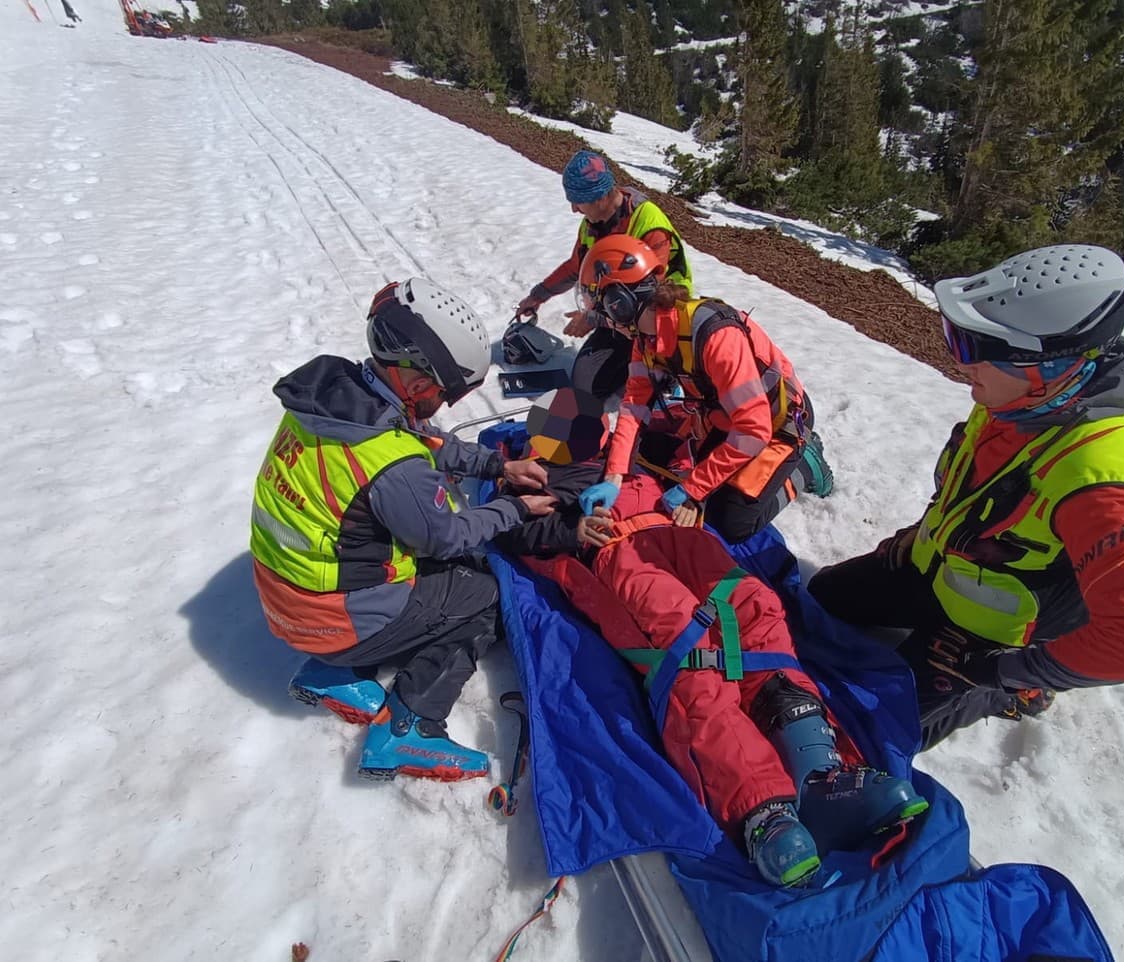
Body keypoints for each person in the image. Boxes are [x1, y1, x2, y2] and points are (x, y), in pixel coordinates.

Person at [492, 392, 925, 887]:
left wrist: (684, 488)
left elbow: (682, 429)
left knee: (756, 612)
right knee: (687, 647)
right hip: (616, 552)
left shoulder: (631, 455)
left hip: (679, 535)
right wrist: (571, 530)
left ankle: (819, 773)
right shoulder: (540, 479)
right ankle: (762, 808)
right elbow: (514, 534)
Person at [808, 245, 1124, 750]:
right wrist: (917, 541)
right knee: (820, 601)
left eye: (978, 349)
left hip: (995, 636)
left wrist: (1005, 669)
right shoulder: (1018, 403)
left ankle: (1021, 693)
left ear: (1047, 367)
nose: (965, 364)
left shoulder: (1096, 481)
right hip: (933, 574)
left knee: (869, 737)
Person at [249, 278, 556, 781]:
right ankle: (409, 727)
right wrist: (515, 509)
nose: (447, 406)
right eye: (446, 393)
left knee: (433, 566)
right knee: (479, 593)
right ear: (417, 383)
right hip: (332, 620)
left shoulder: (339, 401)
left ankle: (335, 673)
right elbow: (447, 536)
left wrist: (497, 469)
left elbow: (422, 441)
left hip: (289, 599)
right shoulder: (393, 465)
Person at [575, 235, 833, 544]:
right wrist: (614, 476)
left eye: (602, 304)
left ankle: (805, 466)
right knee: (659, 454)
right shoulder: (646, 340)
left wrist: (693, 489)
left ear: (620, 302)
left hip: (778, 422)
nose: (601, 315)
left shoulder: (716, 336)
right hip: (727, 416)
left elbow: (754, 430)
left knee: (733, 522)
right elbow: (634, 405)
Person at [515, 149, 694, 400]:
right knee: (586, 382)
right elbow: (577, 266)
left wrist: (593, 318)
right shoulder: (593, 223)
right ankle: (635, 365)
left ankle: (665, 370)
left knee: (628, 376)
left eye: (577, 201)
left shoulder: (649, 223)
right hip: (616, 312)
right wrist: (537, 296)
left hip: (659, 316)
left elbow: (651, 296)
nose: (574, 209)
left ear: (599, 197)